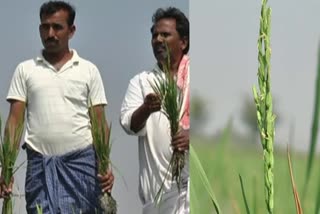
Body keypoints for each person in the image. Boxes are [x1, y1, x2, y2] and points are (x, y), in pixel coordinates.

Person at [0, 1, 114, 213]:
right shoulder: (26, 70)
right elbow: (14, 122)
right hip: (40, 169)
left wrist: (105, 165)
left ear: (71, 31)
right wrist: (5, 168)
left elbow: (99, 123)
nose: (50, 33)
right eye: (45, 27)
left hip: (82, 167)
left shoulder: (88, 70)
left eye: (57, 27)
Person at [120, 7, 190, 214]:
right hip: (156, 197)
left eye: (165, 34)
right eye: (154, 35)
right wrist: (146, 109)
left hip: (191, 191)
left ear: (183, 42)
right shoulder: (142, 82)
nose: (157, 39)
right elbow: (129, 124)